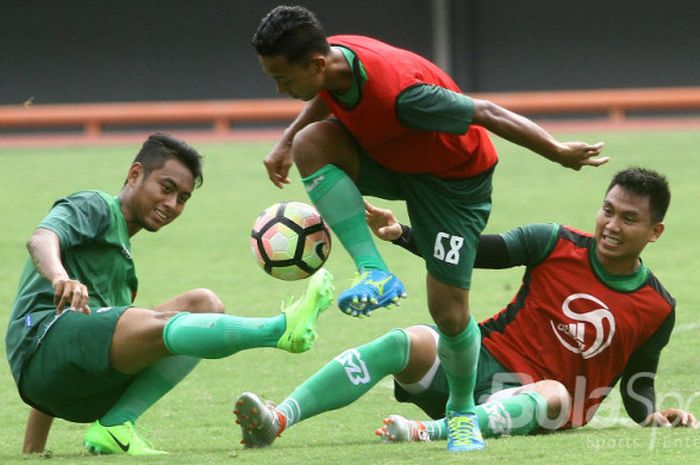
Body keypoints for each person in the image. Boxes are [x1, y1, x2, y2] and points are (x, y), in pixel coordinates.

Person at [251, 4, 608, 452]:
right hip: (398, 158)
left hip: (453, 186)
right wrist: (285, 140)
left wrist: (556, 151)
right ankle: (373, 270)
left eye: (283, 79)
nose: (280, 89)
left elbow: (486, 112)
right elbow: (325, 94)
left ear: (317, 63)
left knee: (449, 313)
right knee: (310, 143)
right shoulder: (334, 62)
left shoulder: (402, 93)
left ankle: (461, 415)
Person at [233, 167, 696, 449]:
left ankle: (429, 432)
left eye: (629, 218)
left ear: (655, 232)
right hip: (476, 367)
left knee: (555, 391)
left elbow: (639, 378)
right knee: (405, 341)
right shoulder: (554, 242)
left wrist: (651, 414)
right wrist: (405, 236)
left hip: (542, 405)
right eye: (608, 210)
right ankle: (278, 419)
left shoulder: (657, 306)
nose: (611, 225)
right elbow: (475, 251)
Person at [6, 133, 335, 456]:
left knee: (204, 305)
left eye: (182, 198)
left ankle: (117, 424)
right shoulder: (94, 205)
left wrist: (33, 449)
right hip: (41, 347)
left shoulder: (124, 269)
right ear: (135, 175)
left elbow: (80, 346)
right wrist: (59, 276)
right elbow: (42, 238)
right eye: (166, 188)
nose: (172, 205)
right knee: (131, 320)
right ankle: (279, 329)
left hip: (76, 389)